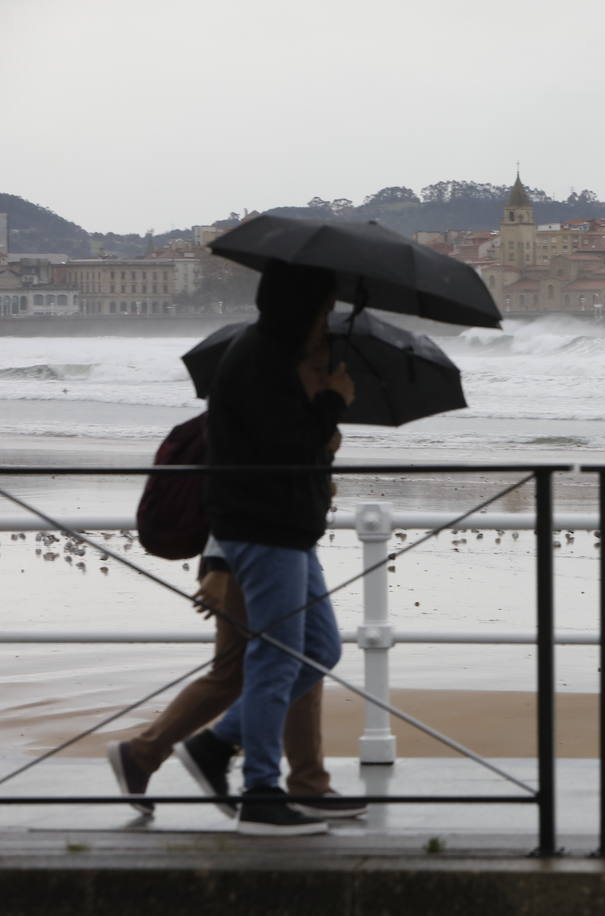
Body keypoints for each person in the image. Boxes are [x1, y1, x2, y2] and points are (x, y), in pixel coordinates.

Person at [173, 262, 353, 836]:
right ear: (300, 307)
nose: (326, 322)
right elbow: (285, 448)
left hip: (289, 531)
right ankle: (259, 795)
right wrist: (332, 404)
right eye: (322, 310)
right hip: (264, 529)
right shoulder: (259, 362)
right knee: (275, 662)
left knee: (320, 648)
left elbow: (290, 444)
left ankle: (216, 743)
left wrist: (321, 399)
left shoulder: (275, 359)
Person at [105, 541, 365, 821]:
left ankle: (308, 782)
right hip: (253, 547)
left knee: (295, 660)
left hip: (281, 543)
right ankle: (164, 751)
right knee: (248, 670)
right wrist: (218, 563)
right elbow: (230, 498)